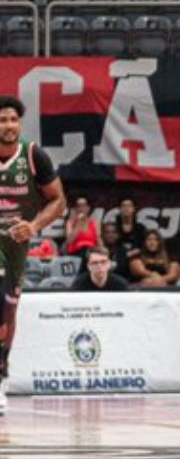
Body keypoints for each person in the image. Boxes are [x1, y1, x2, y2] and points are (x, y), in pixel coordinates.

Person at [0, 95, 67, 415]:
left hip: (16, 244)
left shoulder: (33, 154)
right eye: (2, 120)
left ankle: (1, 375)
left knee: (8, 313)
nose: (8, 126)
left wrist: (35, 225)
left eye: (13, 119)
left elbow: (58, 201)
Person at [63, 196, 100, 262]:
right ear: (75, 209)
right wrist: (78, 224)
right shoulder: (70, 223)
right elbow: (69, 241)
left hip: (91, 253)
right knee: (84, 251)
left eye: (84, 206)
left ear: (88, 208)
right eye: (78, 206)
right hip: (76, 253)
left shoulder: (94, 223)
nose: (81, 208)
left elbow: (98, 240)